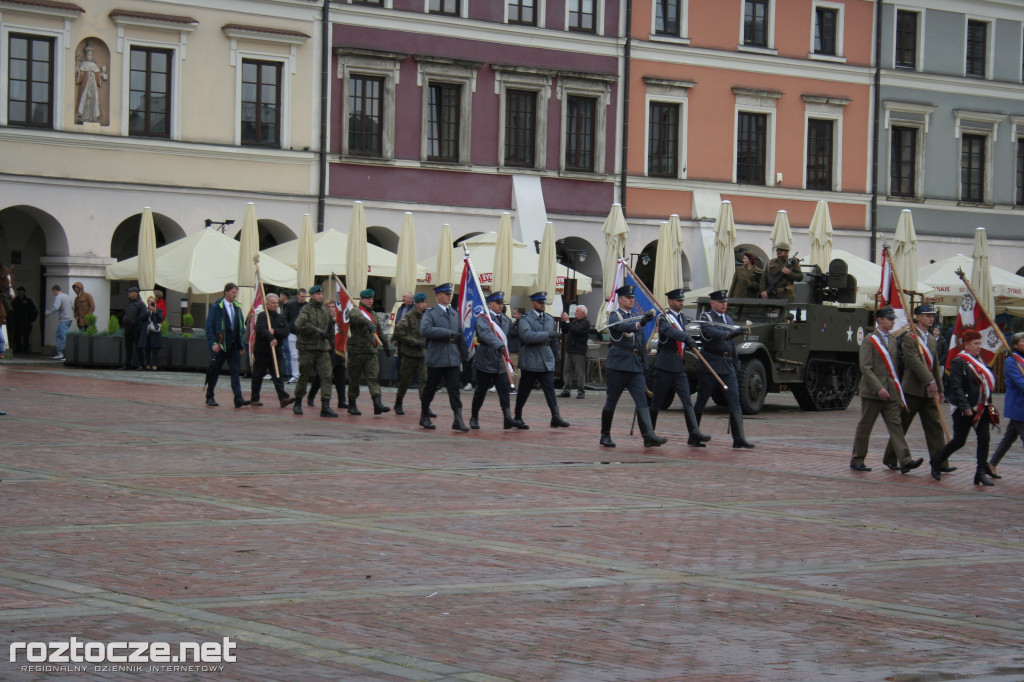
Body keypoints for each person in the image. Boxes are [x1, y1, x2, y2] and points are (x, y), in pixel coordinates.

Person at [849, 306, 922, 473]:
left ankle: (905, 460)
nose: (892, 322)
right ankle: (857, 459)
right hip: (873, 392)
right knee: (865, 426)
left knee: (896, 426)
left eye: (893, 319)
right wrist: (878, 388)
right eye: (889, 319)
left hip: (891, 392)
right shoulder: (870, 340)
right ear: (879, 320)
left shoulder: (894, 340)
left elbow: (894, 367)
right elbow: (866, 367)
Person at [882, 304, 953, 473]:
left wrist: (940, 387)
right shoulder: (909, 338)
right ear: (918, 317)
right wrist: (930, 381)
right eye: (927, 315)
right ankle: (891, 457)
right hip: (912, 389)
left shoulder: (931, 339)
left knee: (934, 427)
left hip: (929, 390)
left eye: (932, 316)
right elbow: (914, 362)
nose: (931, 318)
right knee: (902, 424)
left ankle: (940, 462)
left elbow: (934, 364)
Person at [931, 328, 997, 486]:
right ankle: (937, 462)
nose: (979, 346)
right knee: (959, 440)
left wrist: (990, 405)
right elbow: (957, 387)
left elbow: (986, 385)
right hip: (963, 408)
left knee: (984, 438)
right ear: (966, 344)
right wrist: (965, 406)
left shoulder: (981, 361)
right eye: (975, 343)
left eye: (980, 343)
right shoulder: (958, 361)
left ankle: (980, 473)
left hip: (981, 407)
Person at [599, 285, 663, 447]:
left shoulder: (636, 315)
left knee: (642, 401)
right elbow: (621, 327)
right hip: (618, 366)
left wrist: (644, 365)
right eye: (628, 297)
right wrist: (639, 324)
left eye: (632, 297)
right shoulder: (614, 315)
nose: (632, 299)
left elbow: (640, 342)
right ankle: (605, 434)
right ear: (620, 300)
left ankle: (648, 435)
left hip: (635, 367)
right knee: (611, 401)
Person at [693, 290, 755, 449]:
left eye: (725, 302)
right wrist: (729, 333)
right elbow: (709, 333)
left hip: (727, 366)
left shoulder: (728, 318)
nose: (723, 304)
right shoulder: (706, 317)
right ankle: (693, 434)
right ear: (712, 303)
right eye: (720, 302)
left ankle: (739, 437)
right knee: (702, 401)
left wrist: (735, 364)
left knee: (735, 401)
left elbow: (733, 345)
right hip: (710, 365)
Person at [650, 289, 711, 447]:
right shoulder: (663, 317)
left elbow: (682, 339)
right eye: (678, 300)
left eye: (682, 300)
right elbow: (669, 331)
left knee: (687, 400)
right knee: (657, 402)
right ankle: (649, 434)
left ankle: (694, 434)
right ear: (670, 302)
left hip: (678, 366)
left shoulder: (682, 317)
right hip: (664, 365)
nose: (681, 303)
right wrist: (685, 336)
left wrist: (687, 342)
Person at [513, 291, 570, 430]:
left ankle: (555, 416)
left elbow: (554, 341)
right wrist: (547, 335)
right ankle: (518, 416)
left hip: (546, 358)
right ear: (533, 304)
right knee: (524, 390)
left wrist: (556, 356)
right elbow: (527, 336)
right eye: (540, 302)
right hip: (531, 358)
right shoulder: (525, 319)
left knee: (550, 389)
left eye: (543, 302)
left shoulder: (549, 319)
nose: (542, 305)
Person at [419, 283, 468, 431]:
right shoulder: (431, 313)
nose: (449, 296)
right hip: (437, 356)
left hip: (452, 357)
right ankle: (424, 415)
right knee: (430, 388)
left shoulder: (454, 313)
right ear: (438, 295)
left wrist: (464, 354)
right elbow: (425, 330)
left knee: (454, 389)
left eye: (450, 294)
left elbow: (460, 334)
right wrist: (446, 333)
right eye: (446, 294)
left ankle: (458, 419)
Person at [470, 291, 516, 430]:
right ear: (490, 304)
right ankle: (474, 416)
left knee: (503, 391)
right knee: (481, 391)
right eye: (497, 303)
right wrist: (499, 345)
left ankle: (507, 417)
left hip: (500, 363)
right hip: (486, 360)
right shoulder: (483, 318)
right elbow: (486, 334)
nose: (500, 306)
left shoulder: (506, 320)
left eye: (502, 303)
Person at [291, 284, 337, 417]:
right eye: (317, 294)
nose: (320, 296)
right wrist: (317, 331)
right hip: (308, 348)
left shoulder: (325, 311)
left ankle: (325, 405)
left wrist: (332, 348)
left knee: (327, 377)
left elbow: (330, 331)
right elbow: (299, 324)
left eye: (321, 294)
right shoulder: (306, 309)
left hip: (323, 349)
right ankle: (298, 402)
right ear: (311, 295)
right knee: (304, 376)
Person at [204, 283, 249, 408]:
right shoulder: (217, 307)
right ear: (226, 292)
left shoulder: (236, 307)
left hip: (233, 346)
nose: (235, 295)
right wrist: (213, 343)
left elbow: (240, 327)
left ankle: (238, 398)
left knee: (235, 372)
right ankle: (210, 396)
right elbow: (209, 326)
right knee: (215, 371)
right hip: (221, 344)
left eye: (236, 293)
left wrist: (241, 346)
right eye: (233, 292)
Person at [346, 288, 391, 416]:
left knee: (373, 377)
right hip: (357, 352)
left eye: (372, 298)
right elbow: (356, 318)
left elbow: (379, 331)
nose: (371, 301)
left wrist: (386, 345)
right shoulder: (356, 311)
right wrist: (368, 323)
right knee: (354, 379)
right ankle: (352, 404)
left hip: (371, 352)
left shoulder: (374, 315)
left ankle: (377, 403)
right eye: (368, 299)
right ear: (362, 299)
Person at [249, 293, 295, 409]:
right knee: (258, 375)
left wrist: (275, 333)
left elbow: (286, 331)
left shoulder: (281, 317)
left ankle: (283, 398)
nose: (275, 305)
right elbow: (261, 330)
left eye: (276, 303)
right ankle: (254, 398)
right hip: (262, 351)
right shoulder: (263, 316)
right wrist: (270, 338)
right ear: (267, 304)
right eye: (273, 303)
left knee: (278, 375)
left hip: (276, 351)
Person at [989, 331, 1024, 475]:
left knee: (1009, 438)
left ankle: (992, 463)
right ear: (1015, 345)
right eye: (1022, 341)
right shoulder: (1011, 361)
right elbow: (1020, 382)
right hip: (1019, 405)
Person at [308, 300, 349, 411]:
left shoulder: (342, 322)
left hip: (339, 351)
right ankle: (311, 396)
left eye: (333, 307)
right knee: (321, 376)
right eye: (329, 307)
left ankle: (342, 400)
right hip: (327, 352)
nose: (331, 309)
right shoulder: (324, 321)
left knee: (340, 376)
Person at [392, 292, 429, 416]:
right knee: (405, 381)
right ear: (416, 304)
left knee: (423, 380)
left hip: (422, 354)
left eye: (425, 302)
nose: (424, 305)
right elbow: (399, 332)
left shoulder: (426, 316)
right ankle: (398, 402)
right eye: (422, 303)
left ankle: (425, 407)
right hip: (409, 354)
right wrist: (414, 342)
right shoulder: (408, 316)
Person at [558, 305, 592, 399]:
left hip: (579, 350)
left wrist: (568, 321)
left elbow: (576, 331)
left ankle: (581, 391)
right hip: (570, 349)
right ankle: (566, 390)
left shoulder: (585, 322)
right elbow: (566, 330)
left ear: (583, 313)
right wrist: (563, 321)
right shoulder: (574, 322)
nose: (575, 312)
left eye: (577, 311)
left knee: (580, 372)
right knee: (567, 370)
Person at [283, 288, 307, 382]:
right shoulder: (290, 305)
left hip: (304, 334)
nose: (303, 298)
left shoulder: (307, 306)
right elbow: (285, 317)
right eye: (302, 296)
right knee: (294, 355)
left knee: (303, 355)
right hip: (293, 333)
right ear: (297, 296)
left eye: (305, 297)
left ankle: (302, 374)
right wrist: (289, 327)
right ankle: (295, 374)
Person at [44, 284, 73, 360]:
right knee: (58, 334)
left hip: (64, 319)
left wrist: (48, 313)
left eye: (53, 292)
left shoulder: (59, 297)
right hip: (69, 318)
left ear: (55, 290)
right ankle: (60, 352)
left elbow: (56, 307)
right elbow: (72, 306)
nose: (53, 293)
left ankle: (66, 354)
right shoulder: (67, 296)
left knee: (63, 336)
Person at [120, 287, 146, 370]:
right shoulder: (127, 303)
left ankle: (142, 364)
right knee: (128, 346)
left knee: (138, 347)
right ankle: (127, 364)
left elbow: (144, 315)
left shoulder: (141, 304)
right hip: (127, 326)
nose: (129, 293)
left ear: (136, 293)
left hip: (136, 327)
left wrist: (136, 321)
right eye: (129, 292)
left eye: (130, 292)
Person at [136, 295, 163, 370]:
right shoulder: (144, 310)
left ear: (155, 302)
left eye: (153, 301)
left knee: (155, 350)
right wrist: (148, 312)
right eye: (150, 301)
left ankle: (155, 365)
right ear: (147, 302)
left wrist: (155, 312)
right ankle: (148, 364)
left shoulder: (158, 310)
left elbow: (160, 319)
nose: (151, 303)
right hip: (147, 332)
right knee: (147, 349)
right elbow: (140, 318)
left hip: (154, 332)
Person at [10, 286, 37, 354]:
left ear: (23, 292)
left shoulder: (28, 301)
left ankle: (25, 350)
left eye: (21, 291)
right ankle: (18, 349)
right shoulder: (15, 301)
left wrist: (30, 319)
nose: (20, 292)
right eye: (19, 291)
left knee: (26, 337)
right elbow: (13, 310)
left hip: (26, 322)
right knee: (17, 336)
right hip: (18, 321)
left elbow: (34, 311)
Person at [278, 291, 293, 377]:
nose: (280, 297)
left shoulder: (288, 307)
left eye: (280, 296)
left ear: (284, 296)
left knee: (287, 353)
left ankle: (288, 372)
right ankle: (283, 372)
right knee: (283, 353)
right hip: (282, 332)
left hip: (287, 332)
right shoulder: (282, 306)